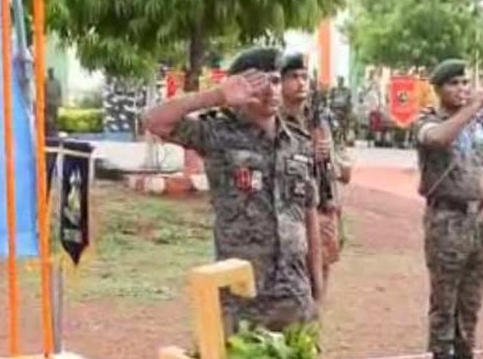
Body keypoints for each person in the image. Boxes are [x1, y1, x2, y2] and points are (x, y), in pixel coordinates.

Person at [139, 46, 324, 333]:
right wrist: (217, 95)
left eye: (275, 81)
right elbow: (153, 121)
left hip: (294, 298)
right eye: (258, 82)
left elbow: (308, 215)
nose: (270, 90)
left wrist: (317, 289)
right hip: (241, 300)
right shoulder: (218, 134)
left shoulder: (299, 143)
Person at [415, 59, 483, 359]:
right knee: (444, 302)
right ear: (438, 89)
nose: (462, 89)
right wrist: (470, 109)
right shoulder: (428, 121)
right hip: (446, 219)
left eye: (466, 83)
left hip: (476, 219)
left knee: (470, 303)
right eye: (454, 84)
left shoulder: (476, 125)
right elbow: (439, 139)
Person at [280, 51, 350, 285]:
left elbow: (344, 171)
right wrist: (308, 154)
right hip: (289, 210)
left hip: (322, 205)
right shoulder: (273, 120)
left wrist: (331, 155)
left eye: (304, 77)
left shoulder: (321, 119)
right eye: (293, 77)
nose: (301, 83)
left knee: (321, 270)